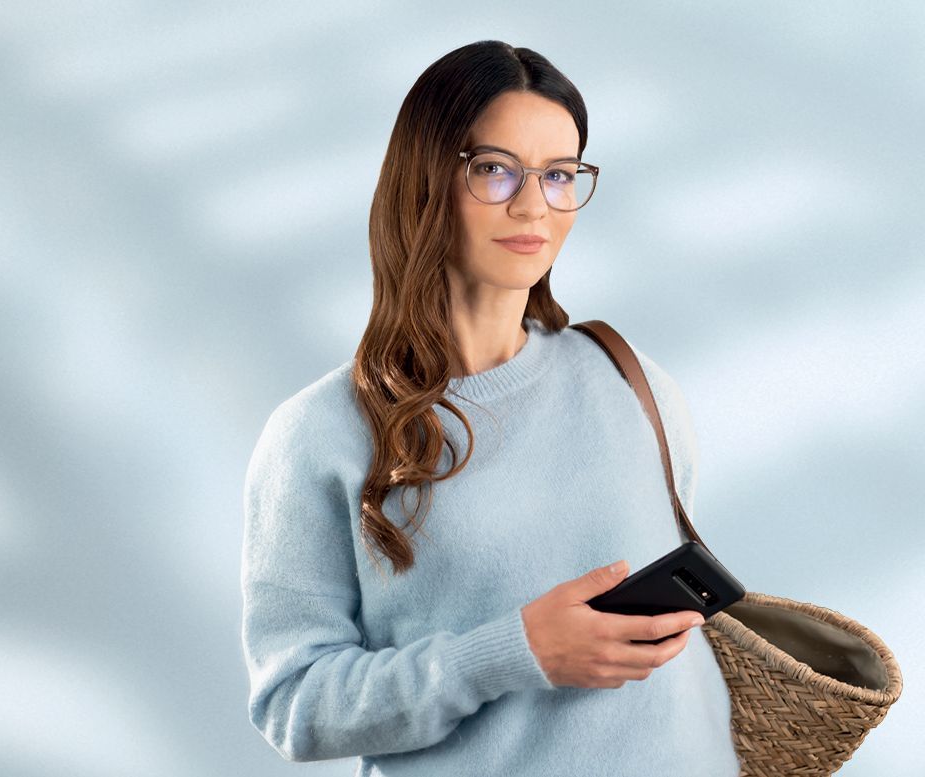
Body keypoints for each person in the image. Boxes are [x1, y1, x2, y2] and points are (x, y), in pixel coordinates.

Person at [240, 40, 740, 776]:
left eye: (560, 175)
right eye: (495, 170)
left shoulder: (629, 381)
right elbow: (296, 704)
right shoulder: (318, 436)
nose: (533, 204)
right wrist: (513, 652)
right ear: (424, 180)